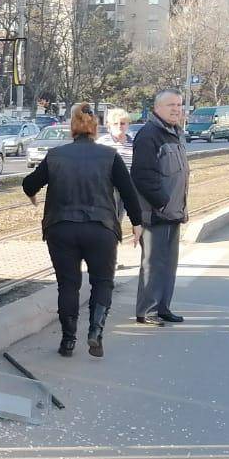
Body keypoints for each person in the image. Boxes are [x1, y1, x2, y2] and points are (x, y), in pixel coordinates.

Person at [21, 103, 143, 357]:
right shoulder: (110, 156)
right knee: (102, 282)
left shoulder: (55, 155)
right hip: (101, 229)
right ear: (95, 128)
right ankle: (95, 332)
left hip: (61, 228)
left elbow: (29, 182)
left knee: (68, 284)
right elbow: (129, 192)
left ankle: (67, 341)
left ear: (72, 127)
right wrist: (137, 224)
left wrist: (32, 194)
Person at [130, 88, 190, 325]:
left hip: (173, 211)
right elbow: (142, 175)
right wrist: (162, 202)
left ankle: (163, 307)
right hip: (156, 213)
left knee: (168, 264)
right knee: (153, 265)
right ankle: (147, 310)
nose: (176, 109)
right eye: (171, 105)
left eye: (179, 105)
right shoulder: (149, 135)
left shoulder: (175, 133)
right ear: (157, 108)